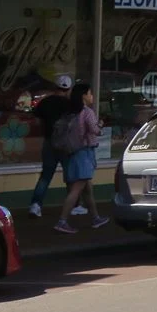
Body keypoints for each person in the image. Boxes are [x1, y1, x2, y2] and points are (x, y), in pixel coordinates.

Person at [54, 82, 110, 233]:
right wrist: (100, 125)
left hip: (72, 152)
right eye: (90, 93)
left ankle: (95, 218)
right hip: (84, 153)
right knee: (77, 189)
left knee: (87, 189)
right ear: (84, 95)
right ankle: (62, 221)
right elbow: (95, 130)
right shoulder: (87, 112)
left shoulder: (71, 112)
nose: (92, 96)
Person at [26, 74, 74, 218]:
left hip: (49, 142)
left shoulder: (45, 102)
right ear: (68, 89)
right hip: (65, 144)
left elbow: (36, 119)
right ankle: (74, 205)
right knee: (70, 176)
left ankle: (35, 205)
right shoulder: (70, 105)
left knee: (46, 176)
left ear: (55, 87)